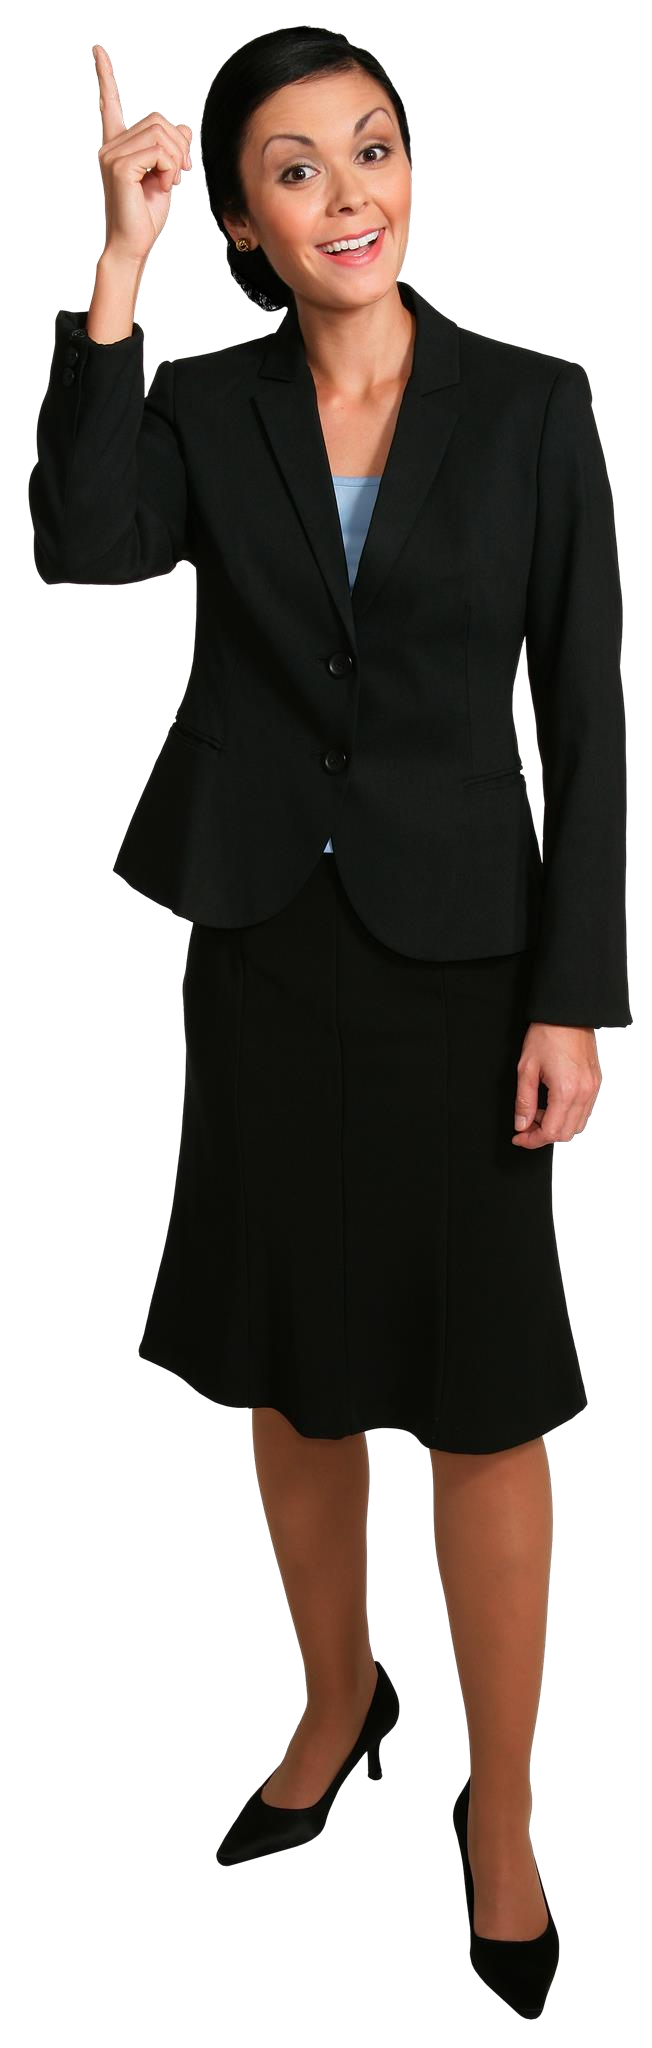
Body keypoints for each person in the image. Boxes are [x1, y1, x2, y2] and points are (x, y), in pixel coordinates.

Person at [29, 27, 630, 2011]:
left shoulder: (532, 404)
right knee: (289, 1363)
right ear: (239, 222)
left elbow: (587, 716)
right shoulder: (202, 400)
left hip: (467, 964)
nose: (350, 194)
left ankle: (500, 1809)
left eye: (371, 148)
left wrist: (573, 997)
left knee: (482, 1387)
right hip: (262, 945)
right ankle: (338, 1692)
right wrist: (112, 275)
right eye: (294, 170)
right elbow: (84, 543)